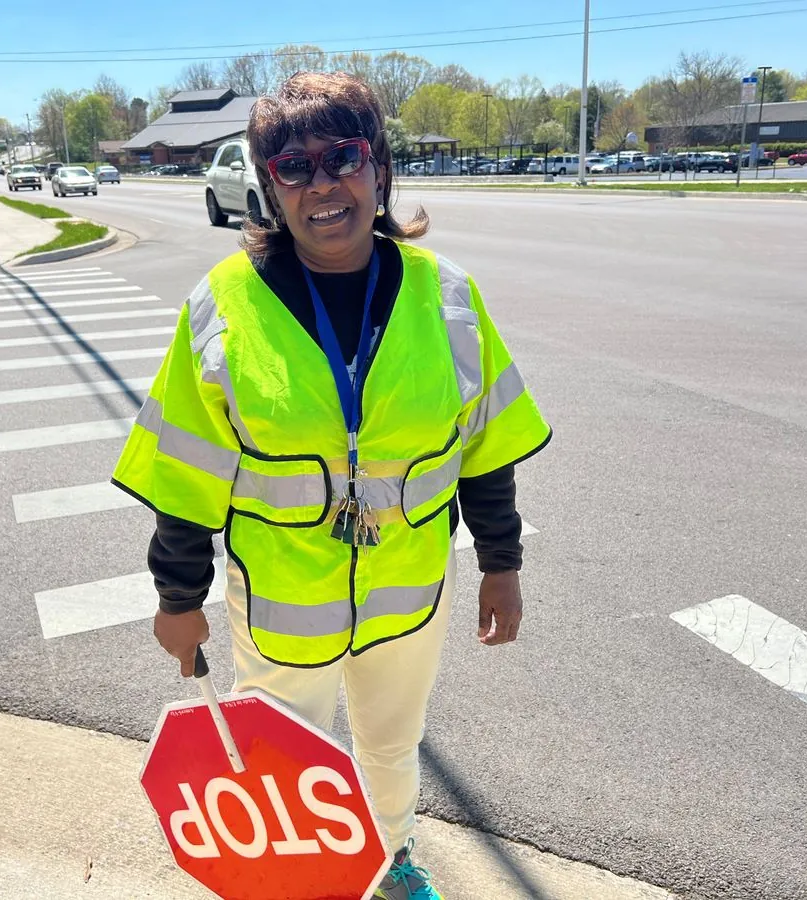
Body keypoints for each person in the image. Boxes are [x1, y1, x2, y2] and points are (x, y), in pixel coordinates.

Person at [111, 71, 550, 900]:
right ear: (268, 187)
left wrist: (502, 562)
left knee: (390, 747)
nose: (321, 184)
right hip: (280, 602)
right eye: (292, 166)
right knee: (279, 763)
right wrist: (177, 601)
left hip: (408, 592)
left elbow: (487, 449)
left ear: (379, 168)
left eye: (342, 156)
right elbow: (185, 474)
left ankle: (387, 862)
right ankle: (297, 886)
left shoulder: (446, 297)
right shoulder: (223, 307)